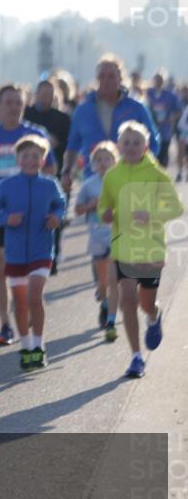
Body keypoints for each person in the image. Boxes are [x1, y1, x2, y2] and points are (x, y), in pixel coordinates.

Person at [0, 84, 54, 346]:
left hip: (31, 214)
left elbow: (51, 167)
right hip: (0, 208)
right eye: (8, 102)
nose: (14, 107)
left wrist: (45, 195)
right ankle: (5, 323)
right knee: (0, 260)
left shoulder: (35, 134)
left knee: (26, 267)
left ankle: (24, 306)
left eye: (18, 102)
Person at [98, 121, 183, 378]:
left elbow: (177, 208)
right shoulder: (112, 176)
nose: (132, 147)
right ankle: (136, 357)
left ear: (146, 146)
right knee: (127, 299)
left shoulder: (157, 174)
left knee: (146, 303)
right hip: (124, 248)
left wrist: (152, 215)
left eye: (137, 143)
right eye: (127, 143)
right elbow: (104, 206)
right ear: (119, 146)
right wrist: (106, 214)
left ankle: (154, 316)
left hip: (151, 250)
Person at [0, 136, 66, 370]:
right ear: (17, 160)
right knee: (20, 303)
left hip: (41, 250)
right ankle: (26, 346)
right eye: (26, 156)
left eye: (36, 156)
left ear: (42, 160)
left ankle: (39, 345)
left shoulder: (49, 184)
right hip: (16, 253)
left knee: (34, 296)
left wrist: (56, 218)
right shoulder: (7, 185)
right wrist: (6, 219)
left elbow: (60, 203)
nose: (31, 160)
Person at [62, 54, 160, 192]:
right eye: (102, 76)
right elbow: (73, 145)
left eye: (111, 76)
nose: (106, 80)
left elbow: (153, 142)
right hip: (93, 180)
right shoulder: (83, 110)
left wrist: (142, 166)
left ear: (120, 78)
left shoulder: (136, 107)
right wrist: (66, 172)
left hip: (128, 181)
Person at [24, 79, 72, 275]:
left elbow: (70, 146)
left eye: (49, 94)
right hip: (29, 172)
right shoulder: (27, 115)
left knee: (54, 213)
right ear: (37, 94)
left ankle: (54, 252)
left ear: (55, 96)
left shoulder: (62, 118)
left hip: (54, 170)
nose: (46, 97)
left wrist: (69, 170)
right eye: (43, 93)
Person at [74, 142, 119, 340]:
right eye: (98, 160)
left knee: (113, 277)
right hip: (97, 236)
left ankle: (110, 315)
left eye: (107, 159)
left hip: (117, 236)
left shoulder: (121, 182)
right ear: (93, 164)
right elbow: (77, 210)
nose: (102, 163)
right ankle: (103, 300)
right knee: (102, 282)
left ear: (114, 161)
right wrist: (90, 205)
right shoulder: (88, 185)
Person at [146, 71, 180, 169]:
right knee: (152, 155)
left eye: (160, 80)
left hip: (165, 131)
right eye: (156, 80)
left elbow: (178, 111)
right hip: (151, 131)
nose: (158, 82)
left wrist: (171, 118)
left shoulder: (170, 95)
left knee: (163, 156)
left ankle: (162, 177)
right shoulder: (149, 93)